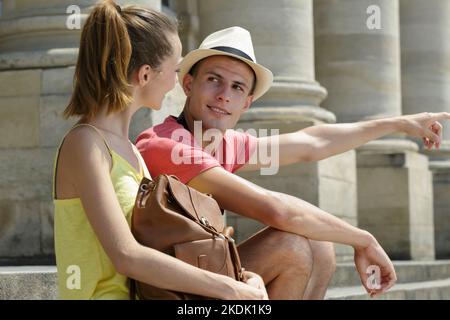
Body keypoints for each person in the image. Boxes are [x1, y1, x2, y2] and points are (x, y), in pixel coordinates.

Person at [136, 26, 450, 300]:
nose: (223, 96)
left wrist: (399, 124)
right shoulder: (168, 144)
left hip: (203, 278)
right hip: (167, 291)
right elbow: (276, 210)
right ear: (188, 84)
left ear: (246, 103)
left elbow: (312, 144)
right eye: (214, 80)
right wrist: (362, 239)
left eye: (237, 87)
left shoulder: (220, 144)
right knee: (293, 245)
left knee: (320, 246)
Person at [53, 2, 267, 300]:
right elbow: (126, 255)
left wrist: (243, 277)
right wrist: (231, 289)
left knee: (288, 257)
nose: (176, 83)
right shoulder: (85, 144)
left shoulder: (130, 149)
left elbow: (160, 244)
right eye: (175, 69)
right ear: (144, 75)